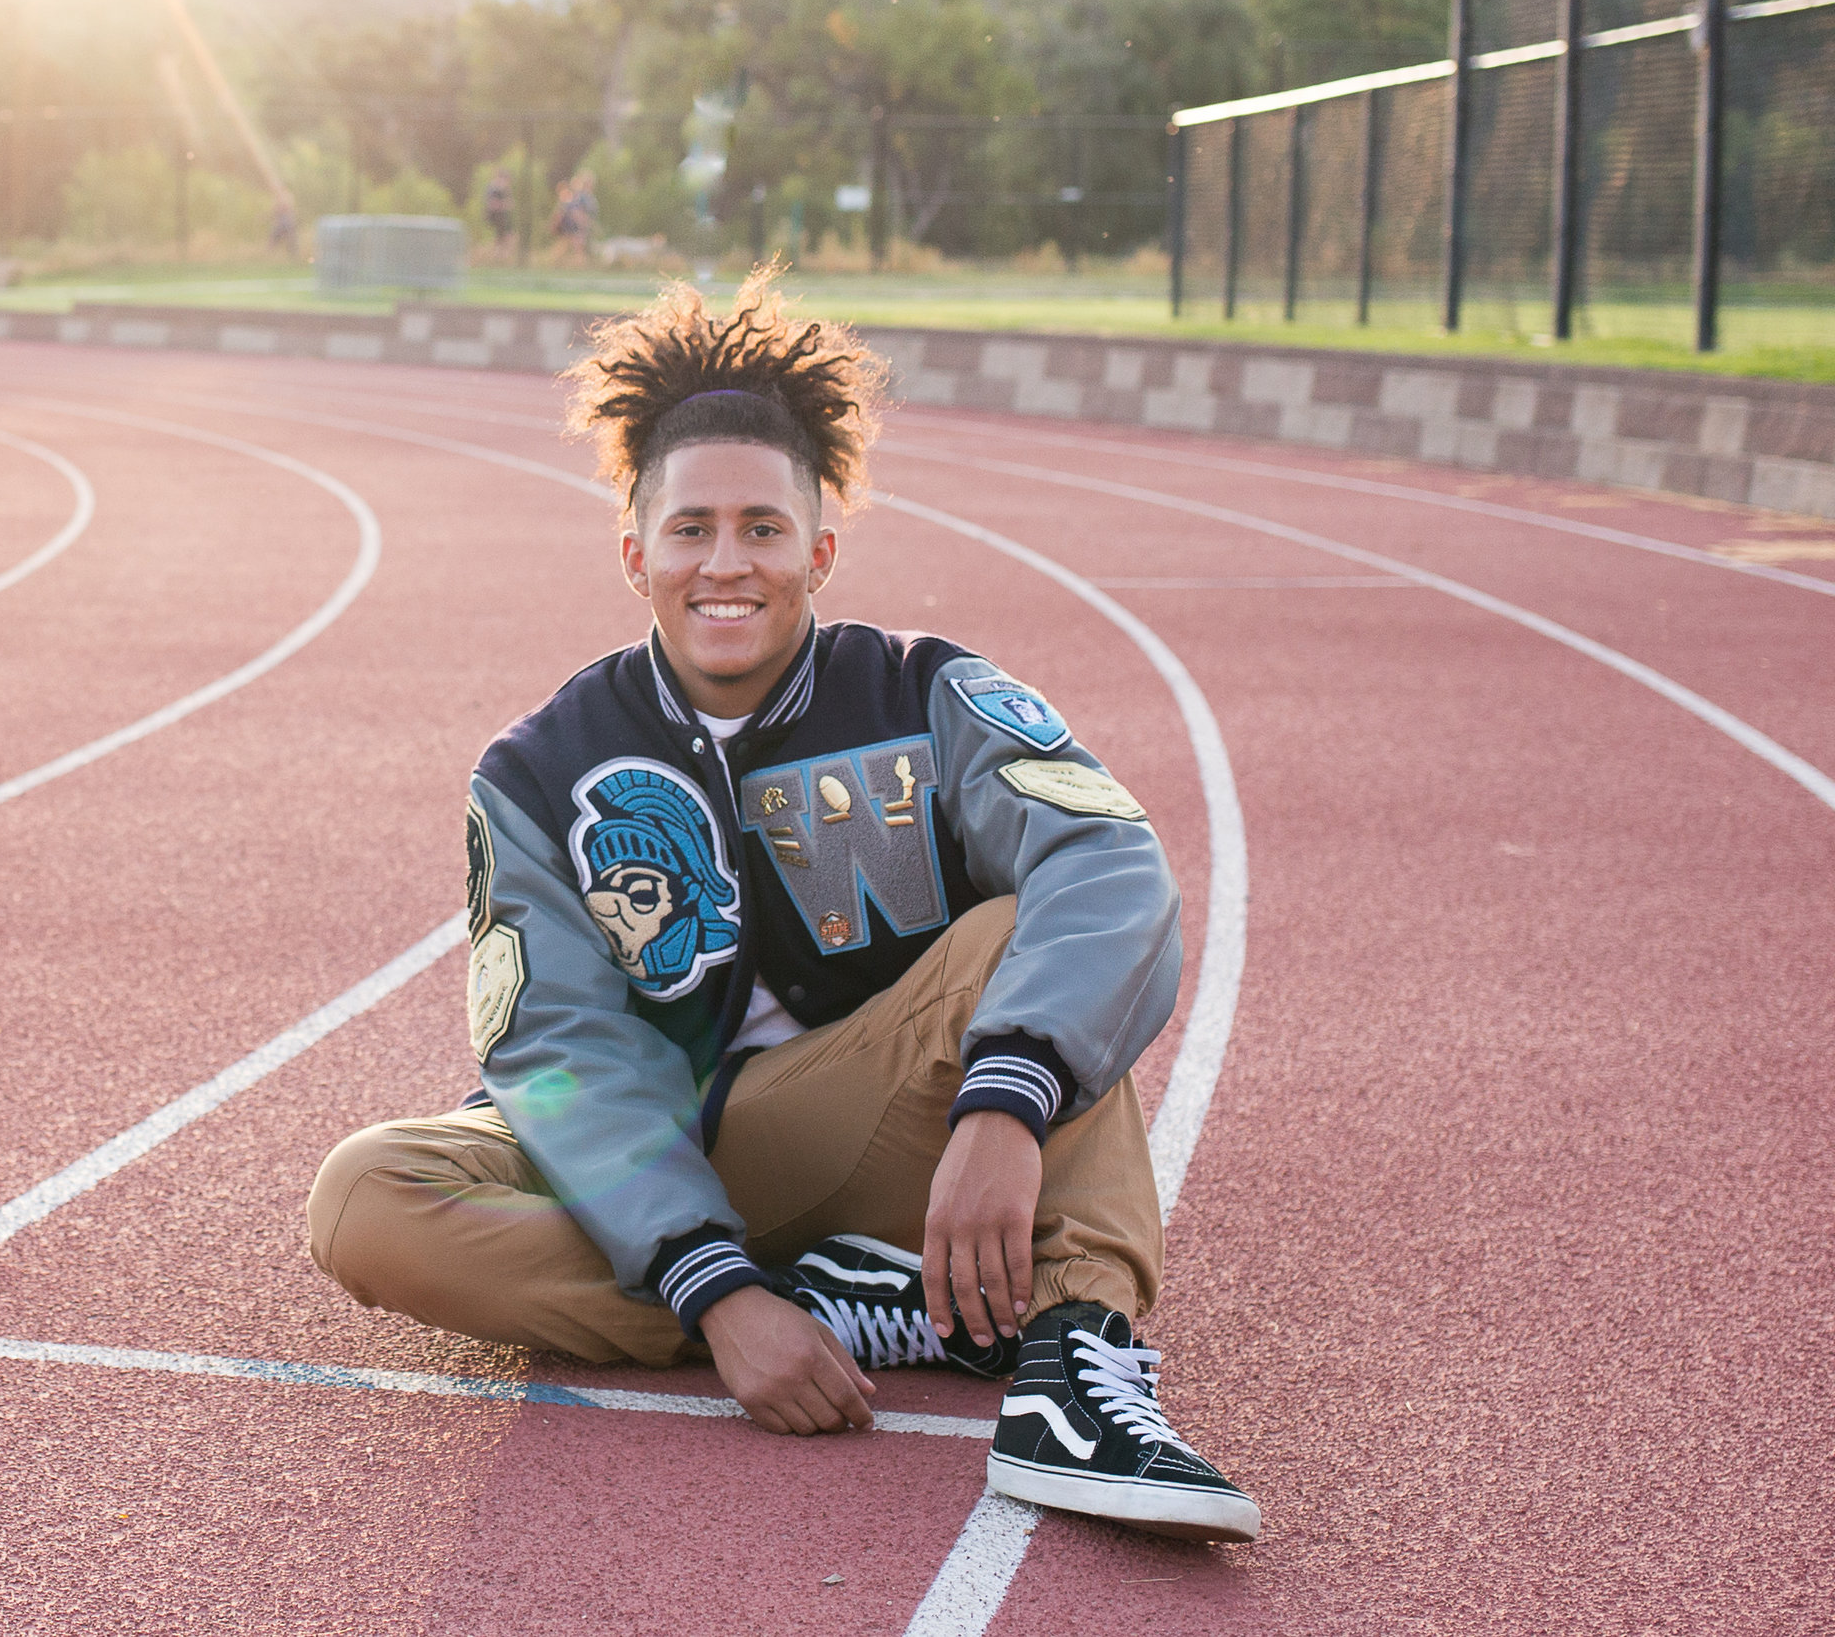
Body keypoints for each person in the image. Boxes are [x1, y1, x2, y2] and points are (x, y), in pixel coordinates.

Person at [308, 270, 1258, 1543]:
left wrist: (1006, 1106)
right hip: (669, 1147)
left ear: (818, 546)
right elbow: (562, 1048)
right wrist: (721, 1298)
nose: (725, 563)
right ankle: (856, 1302)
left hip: (878, 1116)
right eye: (691, 528)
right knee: (364, 1197)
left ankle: (1073, 1357)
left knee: (1019, 937)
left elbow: (1109, 866)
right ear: (635, 549)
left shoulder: (927, 695)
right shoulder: (538, 768)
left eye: (762, 527)